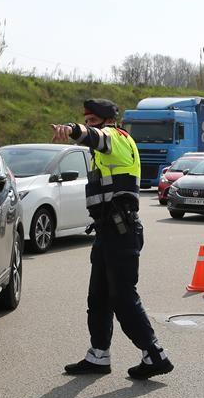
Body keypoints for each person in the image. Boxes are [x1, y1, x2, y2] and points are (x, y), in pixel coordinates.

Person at [52, 98, 173, 379]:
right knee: (99, 298)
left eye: (92, 120)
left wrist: (72, 129)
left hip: (122, 231)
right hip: (108, 231)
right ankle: (98, 356)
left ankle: (155, 354)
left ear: (107, 122)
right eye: (86, 120)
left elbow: (95, 136)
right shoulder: (104, 149)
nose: (88, 126)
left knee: (122, 297)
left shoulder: (115, 138)